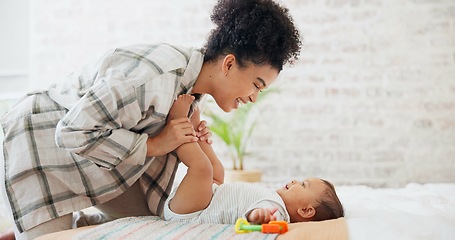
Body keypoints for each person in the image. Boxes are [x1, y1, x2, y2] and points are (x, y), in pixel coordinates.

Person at [0, 0, 301, 239]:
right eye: (257, 85)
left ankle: (51, 224)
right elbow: (72, 132)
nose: (253, 97)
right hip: (38, 145)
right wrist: (157, 144)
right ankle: (34, 228)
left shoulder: (190, 94)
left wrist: (186, 140)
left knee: (147, 225)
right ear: (229, 64)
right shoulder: (152, 79)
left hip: (93, 161)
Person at [163, 94, 344, 224]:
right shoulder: (275, 199)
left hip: (192, 211)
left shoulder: (276, 210)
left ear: (305, 210)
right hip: (207, 198)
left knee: (203, 169)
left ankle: (178, 121)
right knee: (217, 171)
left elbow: (258, 217)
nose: (297, 181)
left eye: (304, 185)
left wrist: (259, 216)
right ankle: (195, 127)